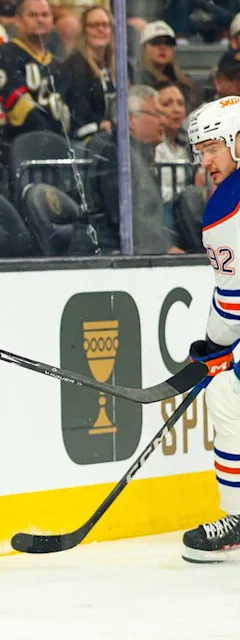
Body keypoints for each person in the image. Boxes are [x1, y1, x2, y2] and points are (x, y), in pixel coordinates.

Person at [182, 95, 240, 562]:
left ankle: (238, 517)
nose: (206, 160)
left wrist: (215, 347)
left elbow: (232, 303)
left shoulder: (227, 206)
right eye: (200, 151)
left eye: (213, 148)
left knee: (227, 395)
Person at [85, 85, 180, 254]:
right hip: (108, 260)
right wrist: (166, 248)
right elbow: (122, 217)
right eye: (156, 114)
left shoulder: (138, 156)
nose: (163, 121)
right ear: (131, 121)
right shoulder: (116, 156)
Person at [0, 0, 68, 142]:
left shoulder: (58, 64)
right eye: (33, 15)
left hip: (61, 144)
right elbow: (18, 104)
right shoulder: (5, 55)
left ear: (52, 20)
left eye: (45, 15)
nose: (40, 19)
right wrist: (51, 138)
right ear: (18, 21)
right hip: (18, 143)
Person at [60, 5, 116, 140]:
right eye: (94, 25)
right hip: (85, 140)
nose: (100, 29)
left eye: (105, 25)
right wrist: (100, 125)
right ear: (84, 31)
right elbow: (77, 117)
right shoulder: (75, 66)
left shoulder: (118, 65)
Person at [134, 20, 196, 109]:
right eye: (156, 42)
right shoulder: (136, 80)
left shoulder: (184, 85)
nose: (162, 47)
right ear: (143, 48)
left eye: (168, 43)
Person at [154, 81, 191, 216]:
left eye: (180, 103)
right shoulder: (152, 148)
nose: (176, 109)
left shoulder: (186, 147)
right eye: (167, 104)